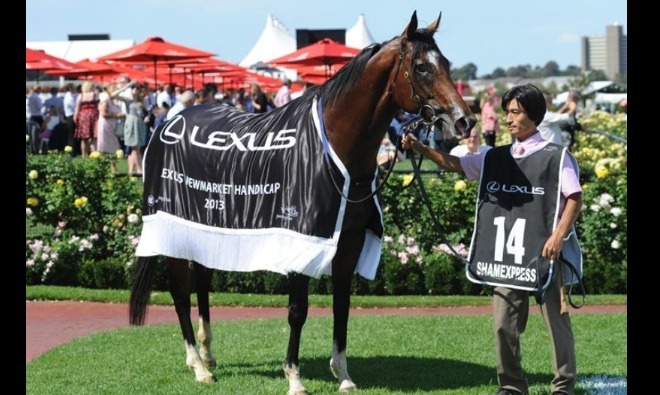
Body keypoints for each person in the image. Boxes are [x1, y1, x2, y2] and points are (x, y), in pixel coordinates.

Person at [402, 83, 583, 395]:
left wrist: (558, 235)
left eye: (516, 112)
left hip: (548, 255)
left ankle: (563, 386)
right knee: (502, 324)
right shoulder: (494, 157)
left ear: (534, 116)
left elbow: (574, 198)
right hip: (508, 259)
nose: (508, 119)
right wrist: (422, 149)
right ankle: (511, 386)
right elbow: (457, 164)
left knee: (557, 324)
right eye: (507, 113)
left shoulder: (557, 157)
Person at [73, 81, 100, 158]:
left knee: (84, 138)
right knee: (94, 137)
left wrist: (75, 117)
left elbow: (77, 107)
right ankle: (94, 154)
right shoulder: (95, 94)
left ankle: (84, 155)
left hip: (83, 116)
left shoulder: (81, 96)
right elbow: (98, 104)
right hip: (94, 115)